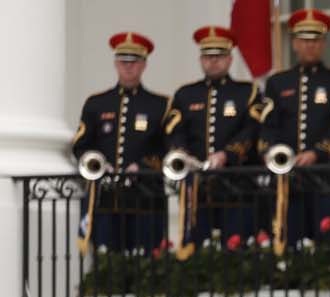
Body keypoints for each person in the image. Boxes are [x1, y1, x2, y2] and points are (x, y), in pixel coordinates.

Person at [254, 9, 330, 245]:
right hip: (287, 177)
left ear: (323, 43)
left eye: (315, 40)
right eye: (304, 40)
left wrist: (316, 153)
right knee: (288, 241)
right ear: (294, 44)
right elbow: (269, 126)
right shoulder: (277, 83)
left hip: (327, 178)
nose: (310, 46)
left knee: (327, 242)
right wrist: (274, 154)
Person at [163, 26, 264, 250]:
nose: (213, 61)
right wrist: (181, 152)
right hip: (197, 188)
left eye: (219, 56)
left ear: (229, 59)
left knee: (236, 248)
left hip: (236, 187)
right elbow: (174, 128)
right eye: (208, 56)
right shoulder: (185, 94)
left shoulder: (248, 92)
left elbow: (253, 129)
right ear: (201, 60)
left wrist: (227, 155)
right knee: (195, 249)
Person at [72, 32, 169, 253]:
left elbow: (169, 149)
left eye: (134, 62)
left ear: (144, 65)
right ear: (116, 63)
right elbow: (81, 145)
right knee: (107, 263)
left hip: (146, 199)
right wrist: (97, 163)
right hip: (106, 199)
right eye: (123, 61)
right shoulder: (96, 103)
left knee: (145, 264)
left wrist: (143, 167)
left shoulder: (160, 105)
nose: (128, 67)